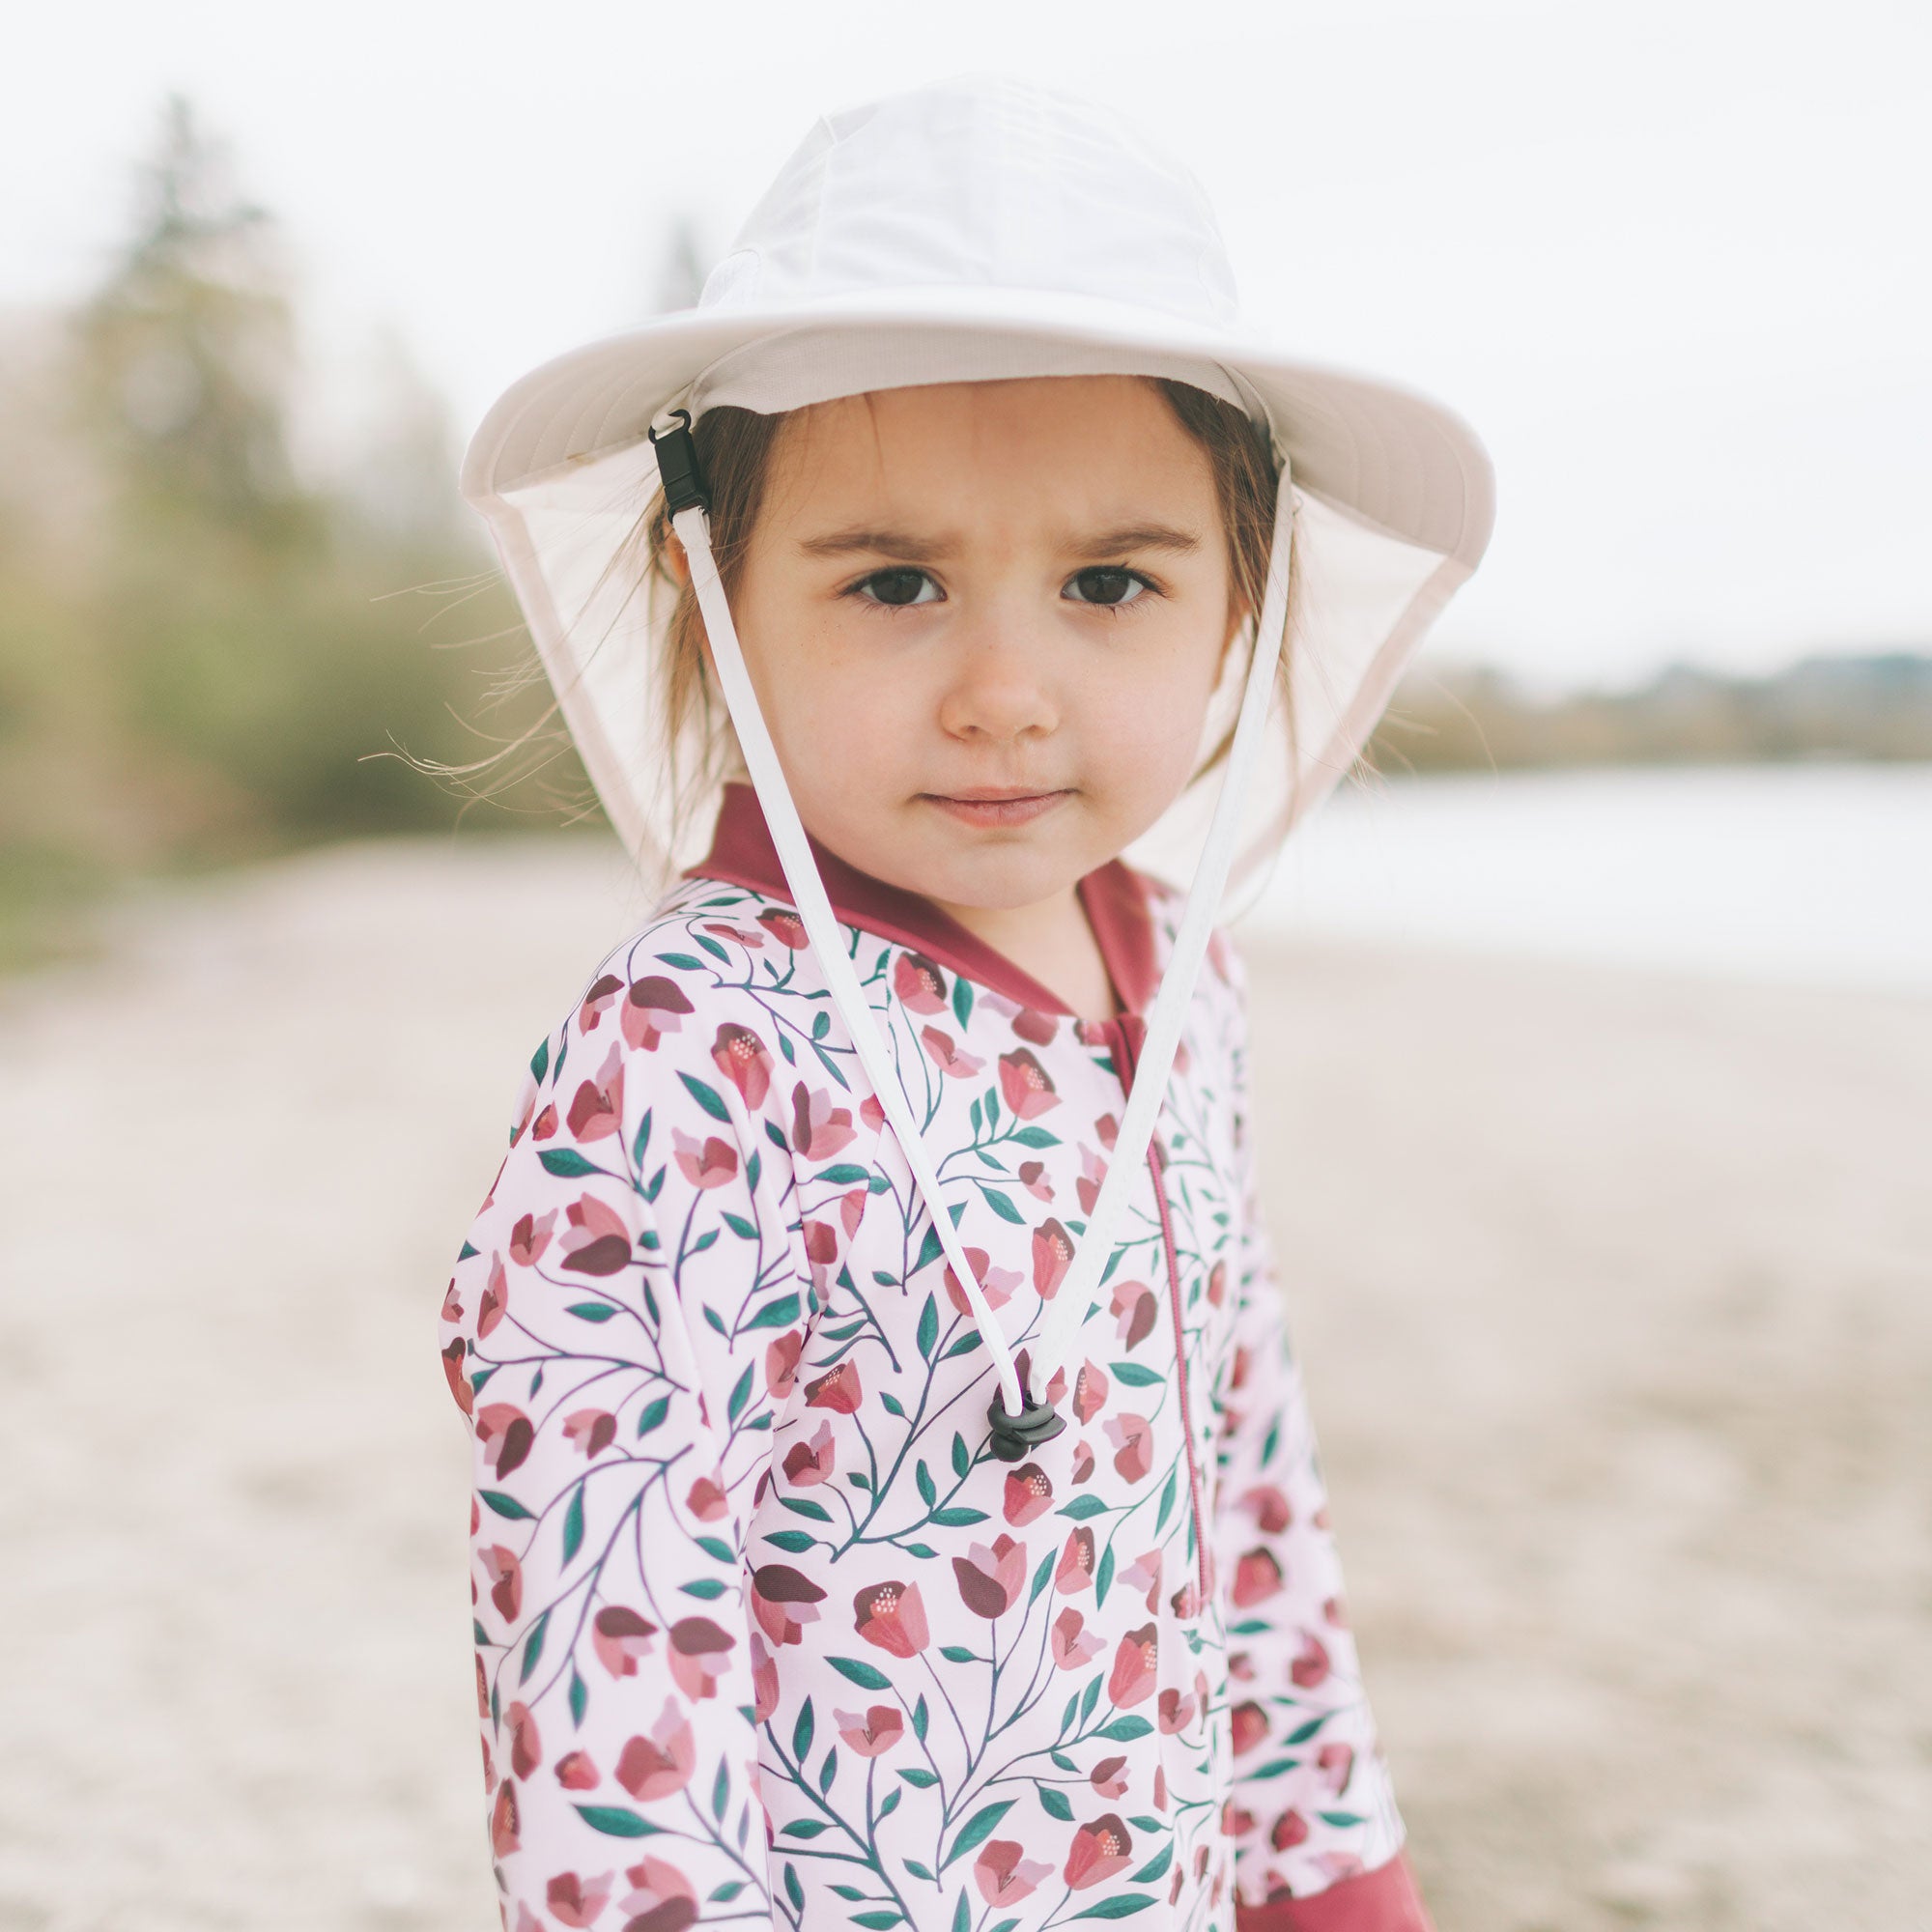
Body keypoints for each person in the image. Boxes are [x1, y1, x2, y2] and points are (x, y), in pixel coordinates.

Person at [437, 76, 1493, 1932]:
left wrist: (1336, 1885)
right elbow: (606, 1661)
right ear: (716, 608)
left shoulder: (1186, 987)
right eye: (896, 582)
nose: (1005, 689)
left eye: (1109, 582)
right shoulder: (693, 1048)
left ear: (1239, 607)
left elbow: (1244, 1495)